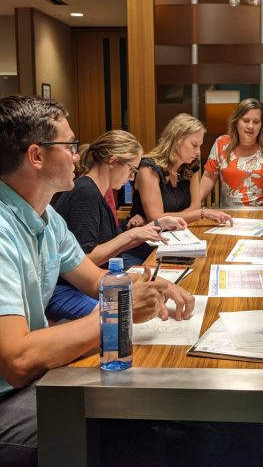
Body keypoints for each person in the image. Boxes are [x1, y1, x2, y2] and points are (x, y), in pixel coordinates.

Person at [0, 95, 194, 467]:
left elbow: (95, 279)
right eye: (70, 145)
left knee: (147, 405)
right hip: (9, 396)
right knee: (127, 424)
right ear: (36, 156)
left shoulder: (47, 218)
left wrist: (145, 287)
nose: (77, 154)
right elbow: (18, 360)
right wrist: (118, 309)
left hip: (31, 380)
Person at [47, 130, 187, 321]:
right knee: (126, 319)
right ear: (113, 162)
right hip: (67, 290)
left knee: (147, 306)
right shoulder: (85, 193)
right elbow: (86, 259)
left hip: (87, 283)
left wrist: (152, 226)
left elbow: (109, 243)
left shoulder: (97, 192)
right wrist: (132, 235)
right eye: (131, 170)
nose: (131, 178)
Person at [127, 113, 232, 265]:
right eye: (194, 145)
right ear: (177, 140)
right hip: (147, 245)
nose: (198, 152)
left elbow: (194, 206)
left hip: (178, 238)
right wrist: (201, 213)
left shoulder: (191, 167)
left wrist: (179, 219)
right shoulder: (149, 169)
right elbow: (156, 218)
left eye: (200, 146)